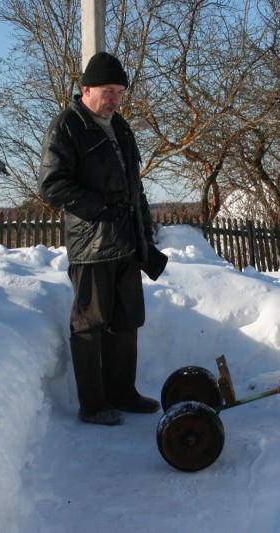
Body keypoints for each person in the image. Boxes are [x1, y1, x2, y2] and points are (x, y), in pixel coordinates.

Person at [38, 51, 168, 426]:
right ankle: (92, 405)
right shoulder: (67, 126)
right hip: (92, 245)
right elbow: (52, 185)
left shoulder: (121, 127)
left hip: (125, 242)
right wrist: (100, 208)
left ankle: (122, 393)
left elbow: (134, 187)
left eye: (120, 92)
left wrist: (144, 232)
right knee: (89, 324)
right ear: (86, 89)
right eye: (108, 91)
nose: (114, 98)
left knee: (126, 321)